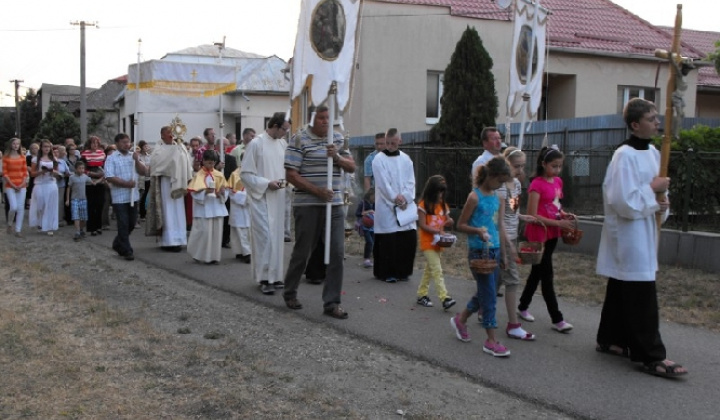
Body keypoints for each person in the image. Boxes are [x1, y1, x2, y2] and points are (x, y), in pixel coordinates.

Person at [595, 98, 687, 377]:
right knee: (639, 291)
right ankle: (650, 354)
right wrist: (653, 191)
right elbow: (622, 200)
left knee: (622, 286)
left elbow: (659, 193)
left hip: (646, 226)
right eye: (651, 118)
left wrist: (662, 201)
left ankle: (610, 338)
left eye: (657, 117)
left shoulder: (655, 152)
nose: (657, 122)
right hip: (629, 231)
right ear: (635, 125)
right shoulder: (623, 155)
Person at [283, 105, 355, 319]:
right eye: (321, 118)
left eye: (328, 118)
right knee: (304, 250)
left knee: (336, 252)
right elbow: (291, 175)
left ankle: (332, 302)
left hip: (334, 205)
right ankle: (290, 291)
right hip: (308, 204)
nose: (325, 121)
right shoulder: (298, 139)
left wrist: (338, 158)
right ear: (312, 118)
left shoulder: (338, 139)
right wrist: (317, 191)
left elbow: (352, 167)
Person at [451, 157, 512, 357]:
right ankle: (491, 340)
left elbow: (498, 226)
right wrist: (477, 231)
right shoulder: (474, 197)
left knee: (487, 292)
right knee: (489, 297)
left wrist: (503, 253)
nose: (501, 185)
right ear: (491, 176)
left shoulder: (498, 198)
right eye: (500, 181)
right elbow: (460, 224)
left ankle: (461, 319)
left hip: (493, 250)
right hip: (479, 252)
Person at [516, 146, 575, 333]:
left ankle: (522, 306)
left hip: (552, 233)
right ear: (543, 164)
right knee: (546, 275)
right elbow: (533, 214)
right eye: (554, 166)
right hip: (539, 232)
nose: (557, 170)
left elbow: (555, 205)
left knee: (537, 272)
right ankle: (557, 319)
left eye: (560, 166)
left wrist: (564, 215)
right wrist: (558, 224)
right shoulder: (536, 185)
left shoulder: (557, 181)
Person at [241, 112, 289, 295]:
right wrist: (266, 183)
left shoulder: (282, 144)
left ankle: (275, 276)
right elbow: (245, 174)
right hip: (260, 198)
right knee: (265, 239)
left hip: (278, 199)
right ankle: (264, 278)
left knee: (276, 238)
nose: (285, 133)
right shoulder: (256, 144)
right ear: (275, 125)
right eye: (284, 129)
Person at [497, 147, 536, 341]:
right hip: (503, 237)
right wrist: (509, 246)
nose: (519, 170)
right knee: (512, 279)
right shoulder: (501, 187)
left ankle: (472, 311)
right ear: (507, 165)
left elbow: (512, 211)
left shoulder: (517, 186)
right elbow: (500, 219)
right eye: (516, 166)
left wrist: (523, 216)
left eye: (522, 166)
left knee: (495, 279)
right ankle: (513, 325)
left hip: (512, 236)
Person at [371, 128, 417, 283]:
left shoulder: (406, 159)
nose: (390, 146)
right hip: (386, 205)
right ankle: (386, 272)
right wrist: (395, 198)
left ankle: (403, 271)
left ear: (400, 141)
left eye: (393, 143)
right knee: (388, 240)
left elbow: (411, 181)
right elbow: (382, 183)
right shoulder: (378, 159)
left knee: (407, 238)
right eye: (387, 143)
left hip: (404, 205)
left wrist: (406, 198)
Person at [148, 126, 193, 252]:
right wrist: (174, 152)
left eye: (172, 133)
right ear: (162, 135)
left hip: (178, 181)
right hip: (166, 182)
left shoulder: (181, 146)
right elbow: (157, 164)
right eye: (168, 133)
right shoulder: (158, 148)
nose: (171, 135)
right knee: (168, 210)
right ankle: (168, 241)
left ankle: (179, 239)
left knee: (179, 211)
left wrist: (187, 176)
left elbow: (186, 162)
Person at [415, 175, 456, 311]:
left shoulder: (443, 205)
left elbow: (447, 220)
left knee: (430, 270)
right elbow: (422, 225)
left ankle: (422, 294)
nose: (441, 194)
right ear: (432, 191)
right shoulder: (423, 206)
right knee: (437, 270)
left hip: (439, 243)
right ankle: (444, 298)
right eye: (438, 191)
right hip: (428, 243)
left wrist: (450, 222)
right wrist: (437, 231)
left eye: (442, 191)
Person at [103, 133, 147, 261]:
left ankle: (118, 243)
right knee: (123, 223)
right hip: (119, 197)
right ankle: (127, 250)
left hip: (133, 196)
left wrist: (137, 160)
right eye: (123, 142)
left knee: (132, 223)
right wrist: (126, 184)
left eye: (128, 142)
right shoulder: (111, 158)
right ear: (117, 143)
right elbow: (109, 176)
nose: (127, 144)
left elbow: (143, 171)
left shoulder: (133, 156)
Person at [187, 150, 228, 264]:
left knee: (216, 233)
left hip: (216, 207)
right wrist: (204, 192)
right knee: (203, 232)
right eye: (209, 162)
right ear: (203, 161)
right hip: (204, 208)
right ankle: (199, 254)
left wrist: (222, 193)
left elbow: (225, 191)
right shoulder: (198, 175)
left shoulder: (219, 175)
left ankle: (213, 257)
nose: (211, 165)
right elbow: (193, 193)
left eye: (213, 163)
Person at [29, 139, 60, 236]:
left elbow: (57, 173)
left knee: (50, 206)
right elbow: (32, 173)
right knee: (40, 205)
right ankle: (40, 223)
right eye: (45, 146)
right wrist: (41, 172)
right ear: (41, 148)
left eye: (48, 147)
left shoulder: (54, 159)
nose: (47, 148)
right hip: (40, 184)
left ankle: (49, 226)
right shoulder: (35, 159)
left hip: (51, 184)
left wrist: (53, 172)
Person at [66, 160, 99, 241]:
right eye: (80, 168)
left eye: (83, 168)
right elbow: (69, 188)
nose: (81, 170)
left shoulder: (85, 177)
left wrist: (101, 179)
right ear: (76, 169)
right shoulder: (72, 177)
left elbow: (93, 183)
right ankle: (77, 232)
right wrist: (67, 199)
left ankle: (81, 230)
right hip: (74, 199)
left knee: (83, 218)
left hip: (83, 199)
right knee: (76, 216)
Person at [80, 136, 106, 236]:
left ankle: (99, 226)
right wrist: (92, 175)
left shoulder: (102, 154)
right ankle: (91, 227)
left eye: (96, 143)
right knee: (91, 205)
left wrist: (101, 178)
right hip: (89, 180)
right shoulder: (84, 154)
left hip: (101, 181)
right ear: (89, 144)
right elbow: (82, 168)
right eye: (93, 143)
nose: (95, 145)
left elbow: (105, 167)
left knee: (100, 204)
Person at [3, 138, 28, 237]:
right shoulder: (6, 157)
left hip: (22, 185)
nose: (16, 145)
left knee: (21, 208)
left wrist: (22, 184)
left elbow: (25, 172)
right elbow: (5, 173)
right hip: (10, 185)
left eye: (18, 144)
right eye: (14, 143)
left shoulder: (22, 157)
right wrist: (13, 185)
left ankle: (18, 230)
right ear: (10, 145)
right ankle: (9, 224)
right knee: (13, 207)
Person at [226, 167, 251, 263]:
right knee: (240, 232)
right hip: (238, 208)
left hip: (249, 208)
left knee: (246, 232)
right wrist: (247, 197)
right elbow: (232, 193)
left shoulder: (254, 172)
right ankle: (246, 253)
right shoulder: (235, 174)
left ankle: (241, 251)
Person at [355, 188, 375, 269]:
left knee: (373, 242)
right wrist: (367, 212)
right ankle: (366, 259)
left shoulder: (374, 203)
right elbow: (358, 213)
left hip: (373, 226)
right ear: (370, 195)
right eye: (374, 197)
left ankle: (370, 258)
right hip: (365, 227)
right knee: (369, 242)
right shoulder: (362, 203)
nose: (375, 199)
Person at [53, 145, 71, 227]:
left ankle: (59, 219)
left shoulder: (63, 162)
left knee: (60, 202)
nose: (64, 152)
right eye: (62, 151)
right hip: (51, 184)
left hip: (61, 184)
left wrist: (66, 174)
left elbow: (68, 172)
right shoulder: (51, 161)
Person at [137, 140, 152, 220]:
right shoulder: (138, 156)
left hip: (148, 178)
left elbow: (151, 165)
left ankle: (143, 212)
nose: (147, 148)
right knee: (141, 196)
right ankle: (141, 213)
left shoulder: (149, 156)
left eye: (147, 146)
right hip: (141, 178)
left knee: (145, 195)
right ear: (141, 147)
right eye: (145, 146)